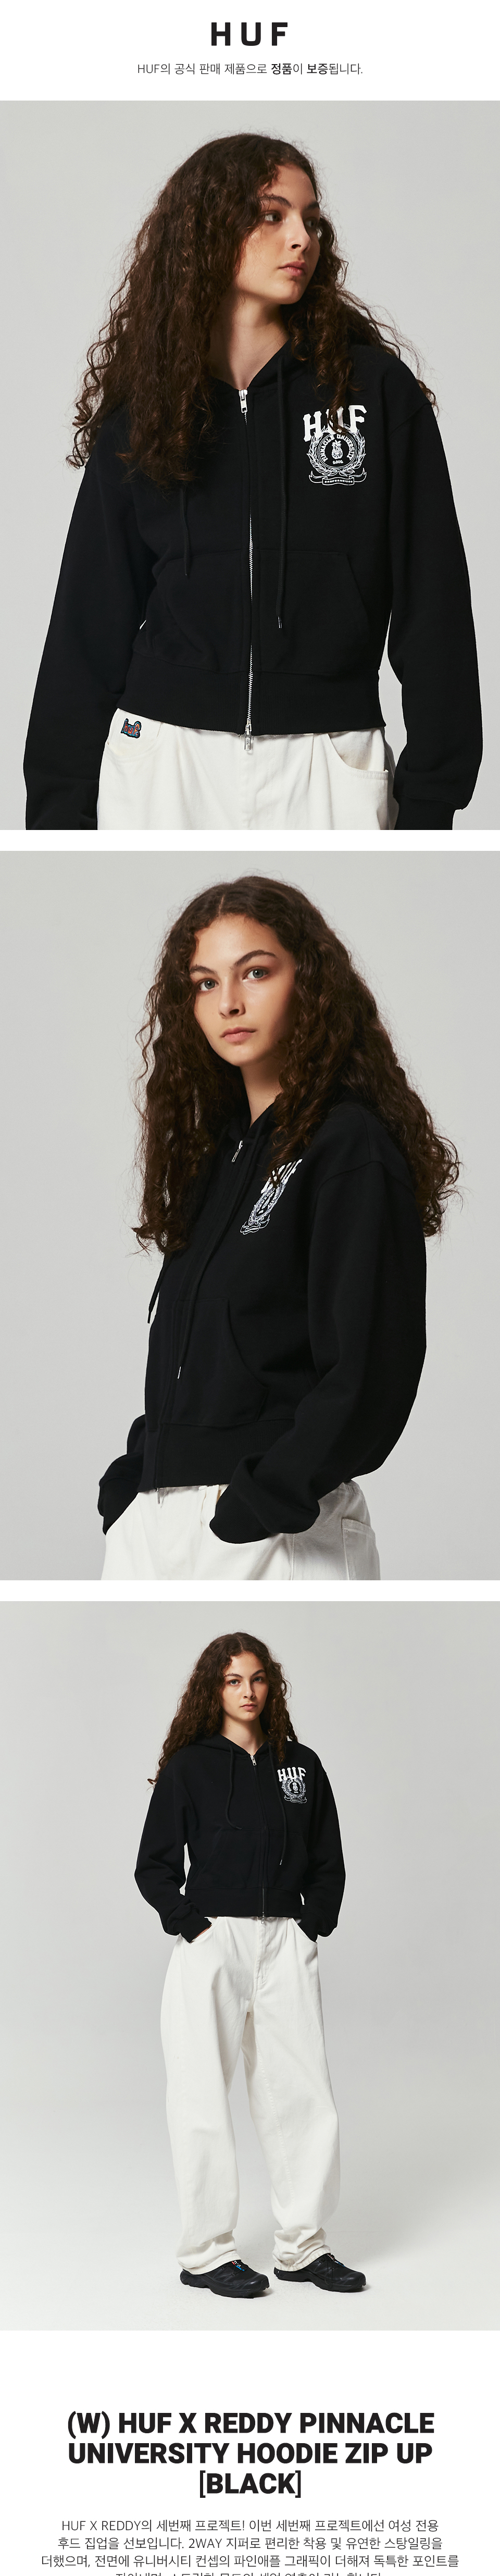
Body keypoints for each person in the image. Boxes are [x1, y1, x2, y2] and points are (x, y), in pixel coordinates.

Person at [24, 133, 481, 832]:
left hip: (330, 757)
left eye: (311, 221)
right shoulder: (148, 411)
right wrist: (59, 813)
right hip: (162, 760)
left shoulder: (373, 394)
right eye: (272, 215)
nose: (301, 238)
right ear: (206, 230)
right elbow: (89, 620)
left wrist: (431, 801)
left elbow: (435, 601)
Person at [99, 873, 458, 1582]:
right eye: (205, 983)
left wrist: (264, 1496)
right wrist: (136, 1479)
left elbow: (370, 1367)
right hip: (156, 1531)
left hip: (275, 1530)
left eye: (256, 972)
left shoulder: (347, 1145)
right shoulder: (218, 1155)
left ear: (310, 981)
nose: (228, 1002)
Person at [135, 1629, 365, 2300]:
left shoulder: (301, 1766)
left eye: (258, 1678)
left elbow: (329, 1857)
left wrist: (312, 1925)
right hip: (213, 1943)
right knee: (201, 2096)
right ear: (214, 1689)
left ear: (272, 1685)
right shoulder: (190, 1767)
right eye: (234, 1680)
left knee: (303, 2096)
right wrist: (192, 1926)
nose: (248, 1691)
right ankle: (207, 2254)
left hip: (284, 1940)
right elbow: (153, 1865)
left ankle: (303, 2247)